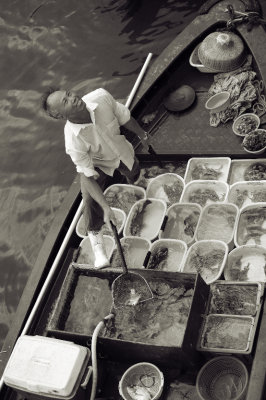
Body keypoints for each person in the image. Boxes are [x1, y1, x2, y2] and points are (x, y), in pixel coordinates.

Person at [42, 87, 151, 269]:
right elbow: (86, 174)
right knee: (89, 200)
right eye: (65, 101)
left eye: (69, 93)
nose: (73, 97)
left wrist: (142, 134)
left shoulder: (101, 97)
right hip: (95, 163)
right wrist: (106, 208)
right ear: (60, 116)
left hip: (119, 151)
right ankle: (96, 241)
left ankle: (136, 185)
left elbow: (125, 118)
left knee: (134, 169)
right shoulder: (73, 140)